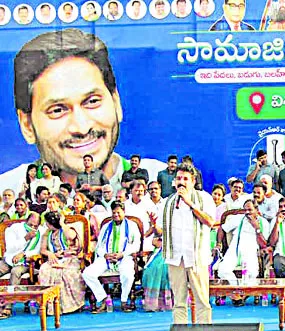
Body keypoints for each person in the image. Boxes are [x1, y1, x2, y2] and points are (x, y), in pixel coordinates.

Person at [3, 30, 166, 201]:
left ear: (116, 102)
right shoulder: (7, 189)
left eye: (92, 101)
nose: (82, 127)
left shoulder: (160, 180)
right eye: (58, 110)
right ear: (27, 125)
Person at [161, 163, 216, 321]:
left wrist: (190, 203)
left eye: (185, 179)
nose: (181, 182)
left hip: (197, 257)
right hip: (175, 257)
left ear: (193, 181)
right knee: (178, 302)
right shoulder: (168, 202)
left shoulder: (204, 198)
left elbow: (210, 222)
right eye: (178, 178)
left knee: (202, 301)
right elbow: (161, 230)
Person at [83, 202, 140, 313]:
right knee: (87, 273)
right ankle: (104, 299)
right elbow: (99, 246)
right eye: (114, 212)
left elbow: (136, 245)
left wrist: (122, 254)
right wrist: (105, 255)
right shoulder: (106, 226)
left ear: (124, 212)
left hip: (124, 257)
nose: (116, 215)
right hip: (106, 258)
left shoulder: (132, 226)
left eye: (118, 212)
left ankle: (124, 301)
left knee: (128, 275)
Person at [217, 199, 269, 305]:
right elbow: (222, 229)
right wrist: (218, 243)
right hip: (234, 250)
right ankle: (237, 292)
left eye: (250, 210)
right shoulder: (239, 219)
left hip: (251, 251)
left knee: (252, 273)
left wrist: (257, 228)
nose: (247, 213)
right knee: (222, 270)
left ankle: (241, 295)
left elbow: (264, 244)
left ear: (256, 210)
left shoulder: (263, 222)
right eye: (245, 210)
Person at [38, 211, 86, 315]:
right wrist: (50, 254)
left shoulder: (67, 230)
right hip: (55, 258)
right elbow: (42, 250)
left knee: (66, 273)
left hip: (70, 258)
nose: (46, 225)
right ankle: (50, 306)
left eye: (47, 223)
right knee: (45, 270)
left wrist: (62, 224)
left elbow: (70, 237)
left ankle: (71, 306)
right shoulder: (47, 233)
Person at [0, 212, 41, 319]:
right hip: (9, 258)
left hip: (26, 262)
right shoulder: (13, 229)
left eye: (35, 226)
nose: (32, 228)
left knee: (15, 272)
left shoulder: (40, 232)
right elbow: (10, 248)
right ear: (26, 221)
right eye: (30, 224)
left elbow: (38, 250)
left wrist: (24, 253)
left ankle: (7, 307)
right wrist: (25, 238)